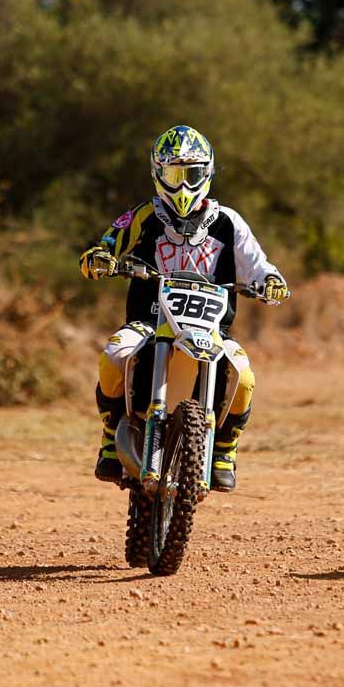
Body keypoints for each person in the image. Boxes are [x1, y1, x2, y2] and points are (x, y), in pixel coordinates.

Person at [79, 125, 289, 491]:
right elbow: (108, 243)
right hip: (149, 321)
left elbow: (259, 265)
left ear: (206, 173)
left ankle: (224, 448)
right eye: (172, 175)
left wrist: (271, 281)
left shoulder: (228, 222)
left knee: (245, 376)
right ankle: (111, 438)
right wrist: (100, 258)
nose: (181, 186)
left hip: (210, 329)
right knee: (114, 354)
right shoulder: (145, 216)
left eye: (190, 175)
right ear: (157, 174)